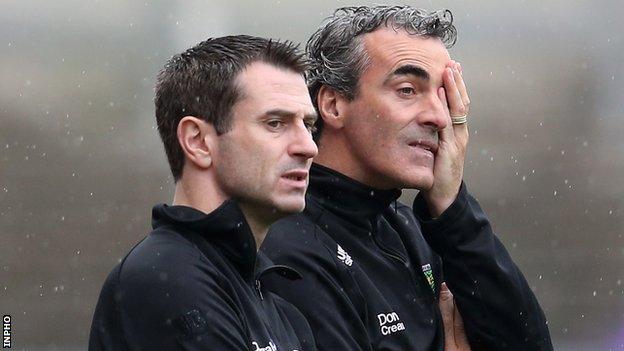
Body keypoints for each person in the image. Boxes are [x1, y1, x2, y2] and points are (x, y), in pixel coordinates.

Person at [261, 5, 553, 351]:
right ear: (334, 104)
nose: (438, 117)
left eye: (443, 97)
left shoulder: (413, 227)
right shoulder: (282, 242)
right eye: (407, 90)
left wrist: (452, 206)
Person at [89, 35, 320, 350]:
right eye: (276, 123)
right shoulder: (166, 278)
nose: (308, 146)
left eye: (308, 125)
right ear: (197, 141)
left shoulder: (276, 304)